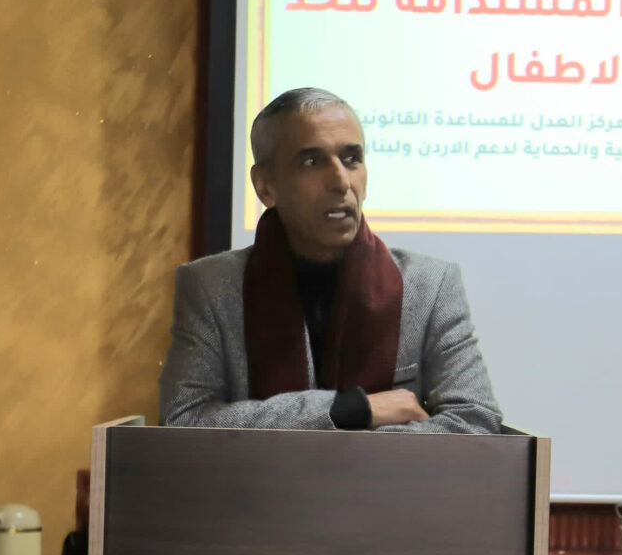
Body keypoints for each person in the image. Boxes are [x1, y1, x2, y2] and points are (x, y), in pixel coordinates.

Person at [158, 86, 501, 433]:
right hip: (274, 477)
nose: (341, 182)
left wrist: (352, 453)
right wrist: (348, 409)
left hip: (382, 475)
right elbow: (183, 420)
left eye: (351, 159)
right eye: (311, 161)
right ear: (265, 186)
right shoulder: (210, 286)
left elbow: (476, 422)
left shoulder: (431, 285)